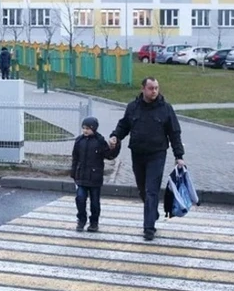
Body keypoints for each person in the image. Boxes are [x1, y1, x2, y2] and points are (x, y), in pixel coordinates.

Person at [108, 77, 185, 241]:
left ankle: (149, 228)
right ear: (143, 89)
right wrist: (115, 136)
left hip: (157, 154)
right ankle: (152, 213)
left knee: (152, 190)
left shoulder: (165, 108)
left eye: (156, 88)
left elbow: (174, 133)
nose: (154, 91)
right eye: (151, 88)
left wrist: (179, 156)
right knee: (143, 189)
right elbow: (124, 126)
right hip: (138, 153)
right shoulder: (133, 107)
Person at [71, 116, 115, 232]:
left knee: (95, 202)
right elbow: (75, 157)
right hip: (81, 177)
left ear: (94, 129)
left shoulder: (100, 141)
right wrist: (73, 172)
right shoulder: (79, 141)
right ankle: (81, 219)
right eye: (84, 128)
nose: (85, 131)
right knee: (80, 198)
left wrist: (114, 147)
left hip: (95, 178)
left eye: (88, 128)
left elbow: (109, 155)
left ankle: (94, 222)